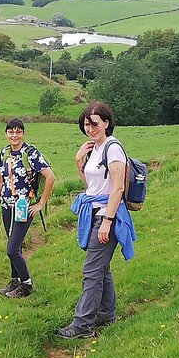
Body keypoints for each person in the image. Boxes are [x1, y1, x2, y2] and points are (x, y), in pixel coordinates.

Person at [57, 102, 136, 339]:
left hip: (107, 215)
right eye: (86, 124)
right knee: (101, 269)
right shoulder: (96, 148)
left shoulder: (113, 148)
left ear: (106, 123)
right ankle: (105, 313)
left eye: (95, 124)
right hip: (93, 212)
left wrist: (107, 220)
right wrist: (79, 162)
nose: (90, 129)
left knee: (91, 272)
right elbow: (91, 187)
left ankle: (82, 326)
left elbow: (118, 187)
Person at [0, 118, 55, 299]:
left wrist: (41, 203)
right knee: (12, 243)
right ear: (6, 134)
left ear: (23, 133)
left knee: (12, 249)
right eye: (11, 132)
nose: (14, 135)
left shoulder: (31, 153)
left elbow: (50, 177)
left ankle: (26, 284)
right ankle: (14, 281)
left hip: (23, 207)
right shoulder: (3, 153)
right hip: (6, 205)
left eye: (18, 132)